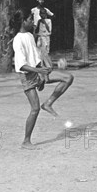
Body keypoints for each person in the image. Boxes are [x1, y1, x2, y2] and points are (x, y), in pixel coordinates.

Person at [10, 8, 74, 149]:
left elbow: (37, 57)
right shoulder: (18, 40)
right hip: (27, 76)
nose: (33, 21)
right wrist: (39, 70)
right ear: (23, 21)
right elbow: (21, 65)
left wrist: (45, 70)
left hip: (38, 72)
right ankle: (26, 141)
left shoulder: (29, 36)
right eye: (30, 19)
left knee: (68, 77)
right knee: (34, 109)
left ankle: (48, 103)